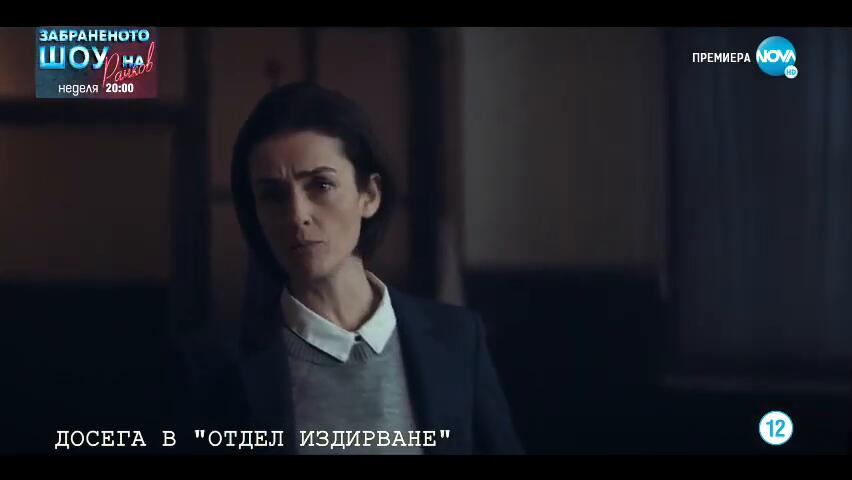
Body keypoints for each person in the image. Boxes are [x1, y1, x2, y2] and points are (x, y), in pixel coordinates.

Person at [175, 82, 523, 455]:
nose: (297, 215)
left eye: (321, 185)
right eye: (273, 195)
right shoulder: (214, 367)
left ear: (369, 195)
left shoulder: (457, 340)